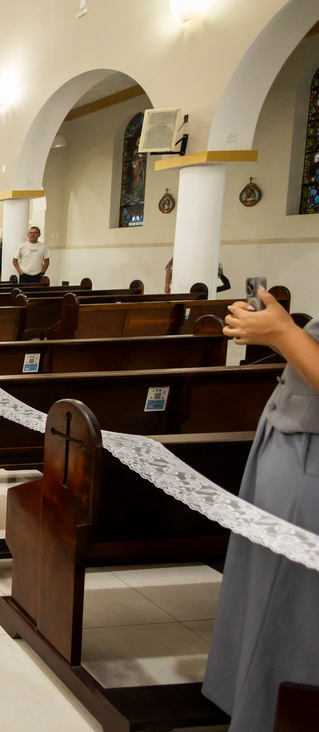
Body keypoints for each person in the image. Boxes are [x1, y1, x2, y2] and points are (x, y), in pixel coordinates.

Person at [200, 288, 319, 729]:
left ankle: (270, 714)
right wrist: (277, 334)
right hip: (292, 440)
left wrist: (284, 333)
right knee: (265, 594)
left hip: (309, 457)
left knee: (288, 605)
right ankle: (254, 699)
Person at [164, 258, 232, 294]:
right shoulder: (180, 254)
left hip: (204, 287)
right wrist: (167, 285)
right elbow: (169, 270)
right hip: (183, 287)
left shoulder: (207, 255)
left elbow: (218, 270)